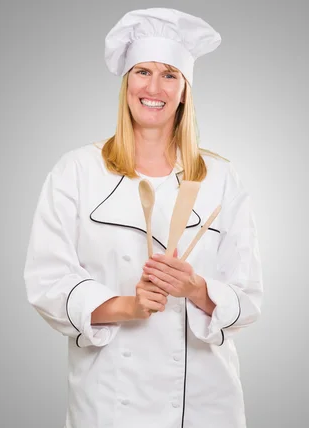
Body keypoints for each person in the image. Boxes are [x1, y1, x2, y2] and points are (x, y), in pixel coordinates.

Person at [23, 8, 263, 428]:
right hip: (109, 402)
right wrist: (128, 305)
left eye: (170, 75)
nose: (154, 87)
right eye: (143, 72)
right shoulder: (77, 171)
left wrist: (195, 289)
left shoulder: (221, 178)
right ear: (126, 83)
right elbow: (47, 282)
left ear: (185, 90)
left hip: (206, 406)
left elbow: (249, 298)